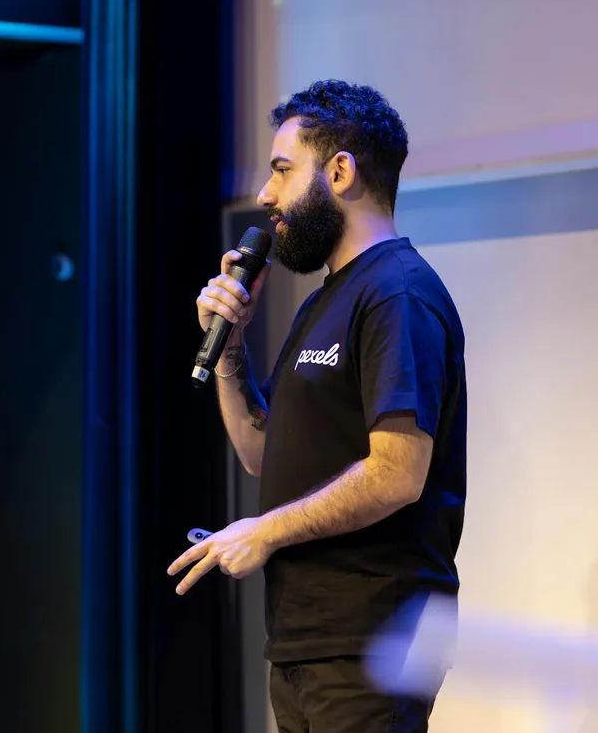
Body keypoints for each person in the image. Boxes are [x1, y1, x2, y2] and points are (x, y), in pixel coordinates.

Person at [167, 79, 468, 732]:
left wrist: (264, 530)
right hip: (310, 639)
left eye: (280, 170)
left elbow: (398, 471)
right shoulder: (326, 299)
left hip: (375, 636)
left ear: (340, 171)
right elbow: (258, 452)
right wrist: (230, 352)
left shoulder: (397, 294)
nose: (264, 196)